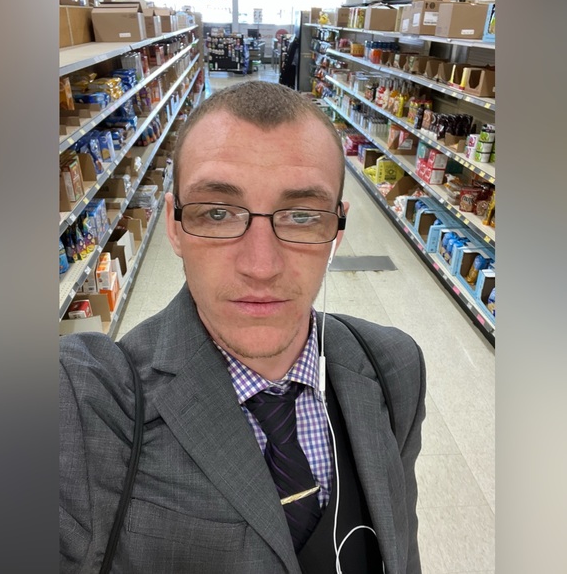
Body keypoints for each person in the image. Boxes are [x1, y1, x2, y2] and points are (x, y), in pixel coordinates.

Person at [60, 81, 426, 574]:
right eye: (217, 213)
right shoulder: (93, 400)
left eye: (301, 216)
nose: (261, 266)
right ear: (173, 225)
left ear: (336, 231)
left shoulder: (394, 368)